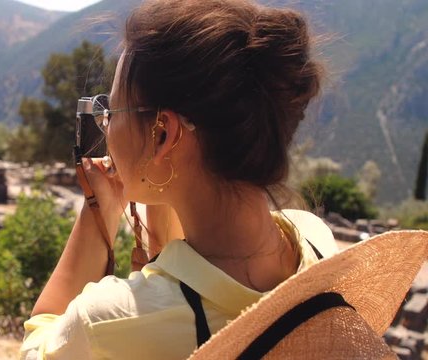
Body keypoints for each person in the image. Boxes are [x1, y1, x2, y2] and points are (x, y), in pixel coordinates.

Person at [20, 0, 334, 358]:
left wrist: (97, 216)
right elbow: (188, 290)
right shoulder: (313, 239)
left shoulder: (107, 323)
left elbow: (37, 344)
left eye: (112, 110)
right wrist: (162, 188)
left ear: (162, 134)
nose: (106, 125)